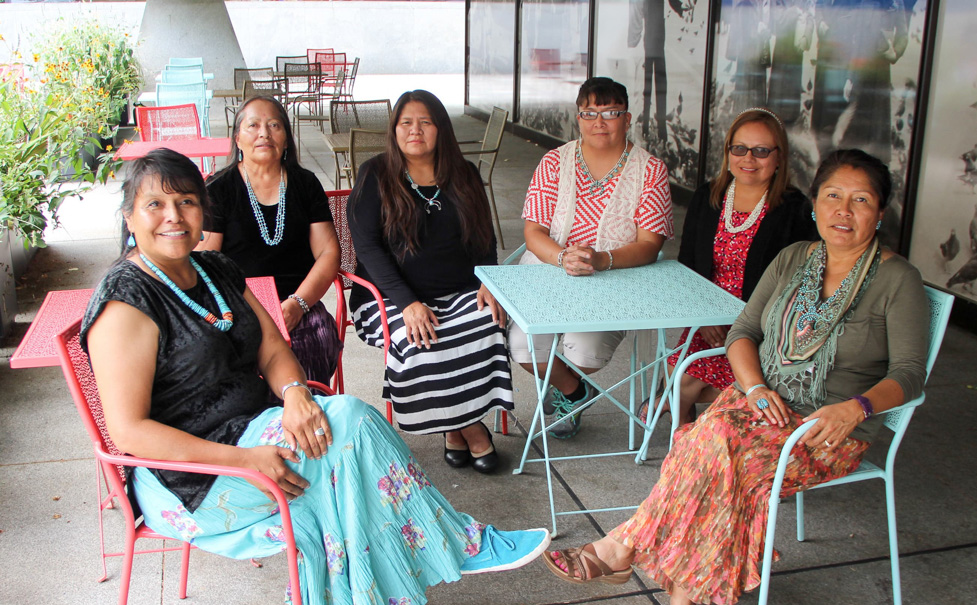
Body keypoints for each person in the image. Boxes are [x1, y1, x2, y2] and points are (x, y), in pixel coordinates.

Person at [82, 149, 550, 605]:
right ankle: (455, 546)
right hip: (192, 477)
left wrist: (297, 392)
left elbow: (275, 347)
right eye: (154, 204)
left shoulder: (214, 269)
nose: (173, 216)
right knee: (346, 442)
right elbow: (129, 433)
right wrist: (247, 460)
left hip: (255, 428)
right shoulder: (126, 302)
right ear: (130, 217)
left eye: (186, 201)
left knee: (343, 473)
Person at [542, 149, 929, 605]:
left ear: (880, 214)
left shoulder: (896, 279)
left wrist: (855, 408)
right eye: (833, 196)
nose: (844, 210)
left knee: (712, 448)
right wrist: (753, 389)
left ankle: (634, 562)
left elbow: (908, 373)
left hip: (827, 429)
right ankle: (670, 602)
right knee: (710, 443)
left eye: (861, 200)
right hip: (761, 405)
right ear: (815, 205)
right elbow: (744, 332)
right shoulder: (794, 258)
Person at [347, 90, 513, 474]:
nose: (415, 130)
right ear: (394, 130)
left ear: (441, 128)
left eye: (425, 122)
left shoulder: (464, 173)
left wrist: (489, 279)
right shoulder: (375, 173)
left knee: (488, 324)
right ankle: (472, 429)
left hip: (459, 289)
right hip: (389, 297)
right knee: (418, 337)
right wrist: (407, 302)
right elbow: (367, 246)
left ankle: (452, 430)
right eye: (406, 122)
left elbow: (484, 237)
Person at [513, 76, 674, 439]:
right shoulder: (555, 161)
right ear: (578, 117)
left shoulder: (650, 170)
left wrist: (602, 260)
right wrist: (562, 258)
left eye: (610, 112)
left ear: (628, 118)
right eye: (589, 112)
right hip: (548, 271)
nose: (599, 122)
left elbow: (650, 244)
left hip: (615, 279)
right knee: (523, 348)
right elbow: (533, 233)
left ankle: (569, 382)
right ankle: (575, 391)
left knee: (584, 353)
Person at [638, 107, 817, 426]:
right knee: (683, 370)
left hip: (761, 325)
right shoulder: (709, 195)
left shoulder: (795, 209)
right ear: (728, 152)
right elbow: (688, 265)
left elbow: (801, 286)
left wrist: (747, 325)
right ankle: (684, 426)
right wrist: (704, 317)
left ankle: (679, 427)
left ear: (779, 158)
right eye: (740, 148)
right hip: (708, 316)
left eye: (761, 151)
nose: (749, 158)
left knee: (682, 379)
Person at [200, 95, 343, 385]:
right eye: (253, 125)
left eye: (274, 125)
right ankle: (263, 427)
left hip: (298, 303)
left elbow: (328, 252)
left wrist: (298, 304)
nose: (264, 133)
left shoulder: (305, 184)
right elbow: (205, 262)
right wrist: (242, 309)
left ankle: (308, 421)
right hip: (237, 306)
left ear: (287, 139)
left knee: (314, 337)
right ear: (238, 138)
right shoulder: (219, 189)